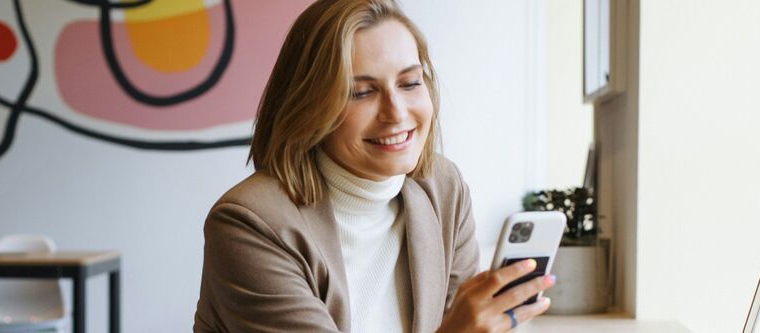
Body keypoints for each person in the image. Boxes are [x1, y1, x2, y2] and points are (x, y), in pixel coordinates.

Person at [193, 0, 555, 332]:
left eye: (410, 83)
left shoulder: (443, 188)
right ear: (310, 105)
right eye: (361, 92)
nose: (396, 113)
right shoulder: (249, 224)